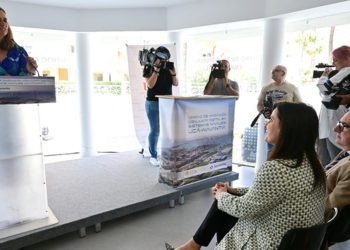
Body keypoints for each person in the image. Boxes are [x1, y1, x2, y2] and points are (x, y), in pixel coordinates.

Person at [167, 102, 326, 250]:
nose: (266, 123)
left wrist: (222, 195)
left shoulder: (276, 168)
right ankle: (192, 246)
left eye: (271, 119)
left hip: (270, 242)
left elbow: (244, 209)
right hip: (295, 241)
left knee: (223, 203)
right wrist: (233, 191)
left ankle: (192, 246)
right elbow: (271, 194)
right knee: (225, 201)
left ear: (287, 128)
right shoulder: (313, 164)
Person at [143, 46, 178, 166]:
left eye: (166, 58)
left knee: (168, 130)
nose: (164, 60)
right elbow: (150, 85)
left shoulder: (169, 67)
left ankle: (165, 154)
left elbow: (176, 83)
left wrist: (173, 73)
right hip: (153, 102)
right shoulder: (149, 66)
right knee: (155, 130)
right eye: (162, 57)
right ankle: (153, 155)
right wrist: (156, 69)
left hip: (167, 102)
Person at [318, 45, 350, 166]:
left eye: (335, 59)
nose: (333, 62)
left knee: (334, 163)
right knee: (326, 161)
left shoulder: (346, 71)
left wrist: (325, 75)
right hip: (329, 122)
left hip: (338, 122)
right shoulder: (341, 74)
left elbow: (323, 87)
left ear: (347, 59)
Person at [0, 7, 37, 76]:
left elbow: (25, 84)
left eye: (5, 20)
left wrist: (30, 72)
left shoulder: (19, 52)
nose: (3, 23)